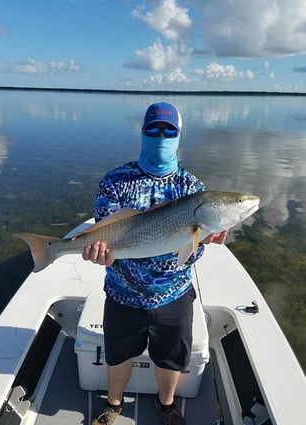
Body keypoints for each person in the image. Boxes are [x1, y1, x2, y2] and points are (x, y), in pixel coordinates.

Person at [82, 101, 228, 425]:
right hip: (122, 293)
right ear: (143, 132)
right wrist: (100, 253)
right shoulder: (115, 181)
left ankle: (167, 405)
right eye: (154, 129)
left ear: (179, 136)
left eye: (169, 130)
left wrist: (203, 241)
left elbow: (191, 249)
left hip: (173, 294)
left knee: (171, 359)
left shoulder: (192, 189)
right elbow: (105, 232)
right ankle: (114, 404)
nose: (161, 135)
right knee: (118, 355)